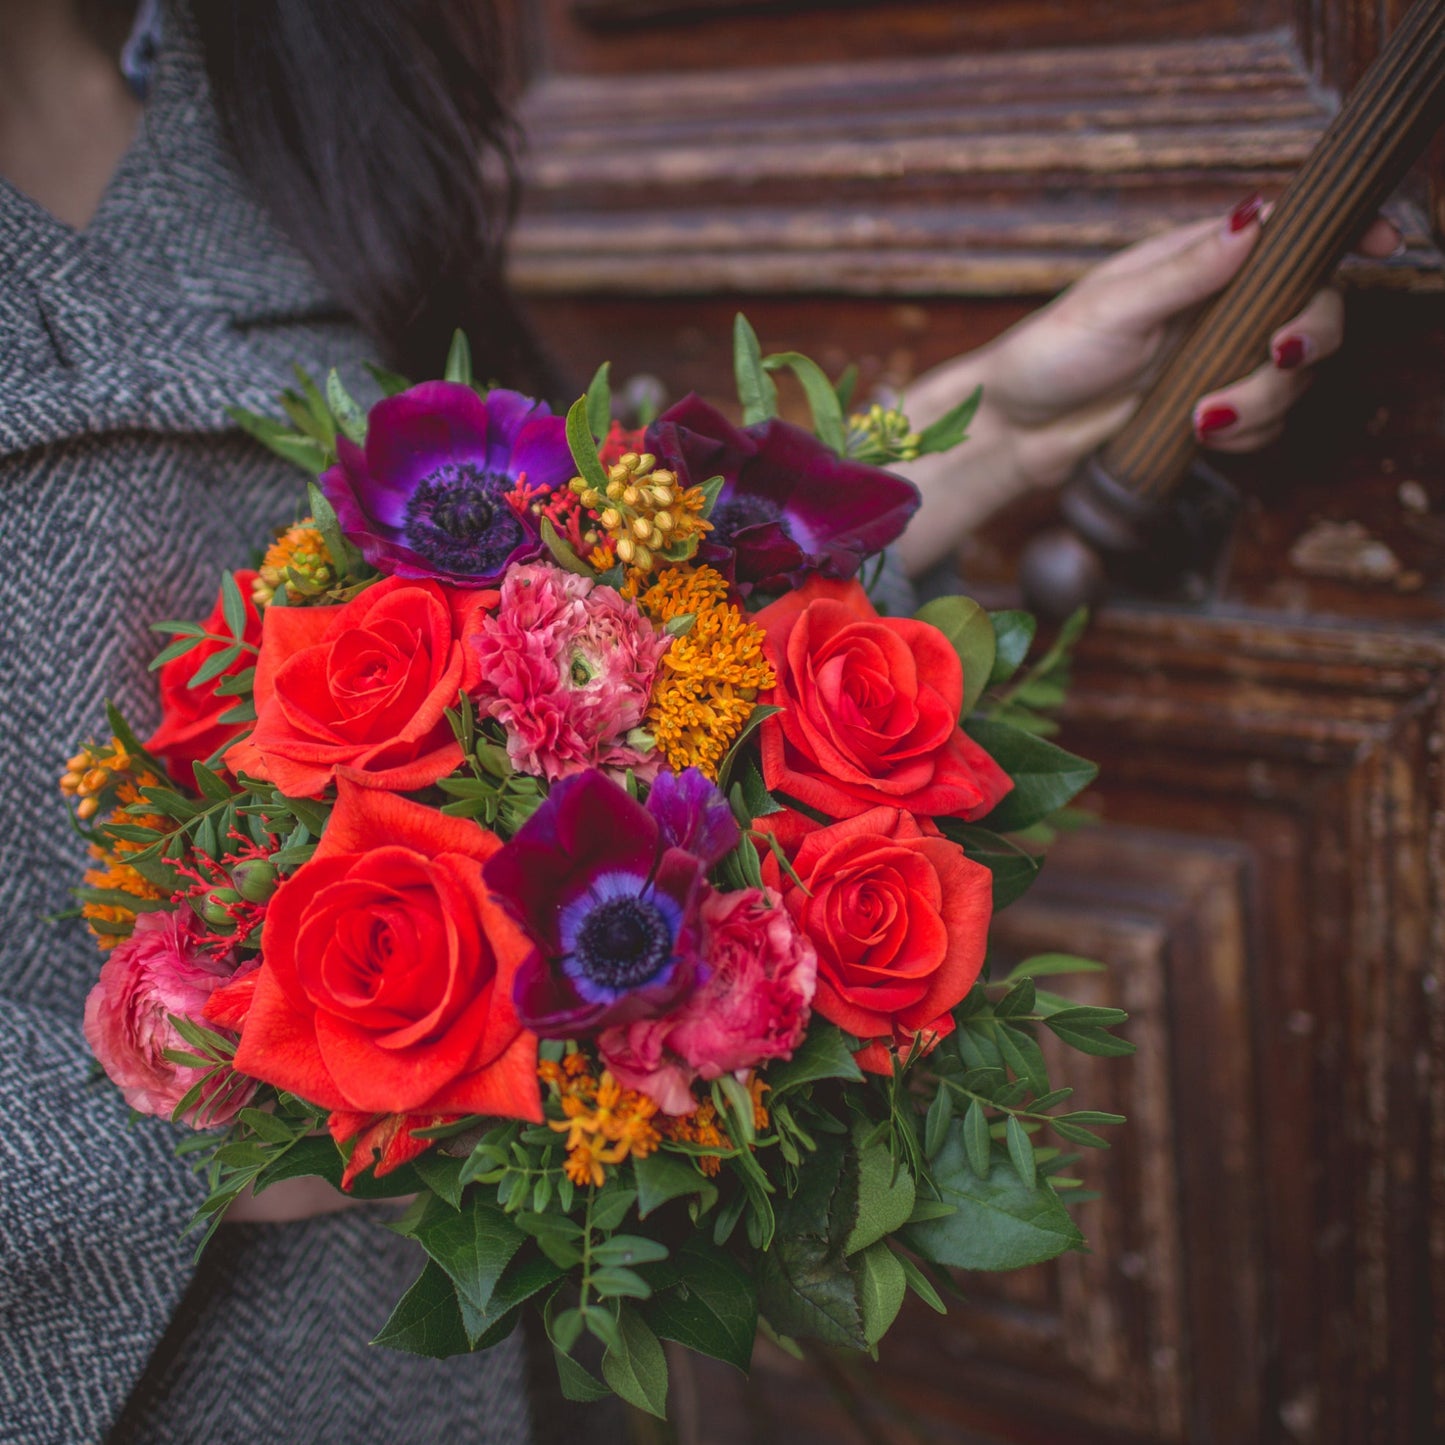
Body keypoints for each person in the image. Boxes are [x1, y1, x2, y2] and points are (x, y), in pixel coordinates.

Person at [0, 2, 1399, 1442]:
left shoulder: (287, 102)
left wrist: (982, 436)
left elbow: (568, 603)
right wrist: (207, 1120)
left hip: (542, 1372)